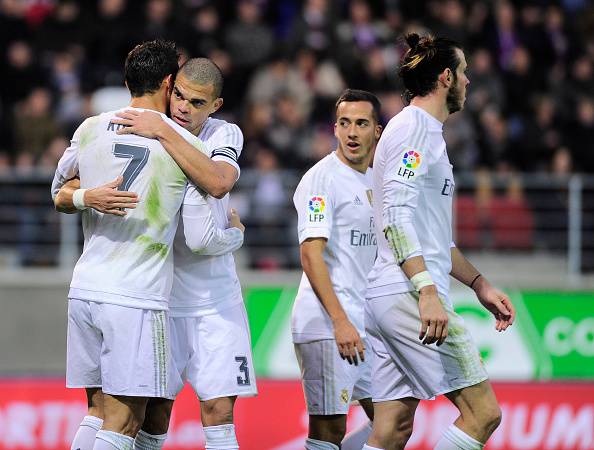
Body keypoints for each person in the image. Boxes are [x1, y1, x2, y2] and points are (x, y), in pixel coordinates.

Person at [51, 42, 235, 450]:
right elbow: (218, 186)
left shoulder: (90, 128)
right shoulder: (182, 147)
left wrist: (86, 197)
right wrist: (234, 233)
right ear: (169, 84)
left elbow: (58, 192)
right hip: (135, 296)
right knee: (126, 419)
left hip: (84, 290)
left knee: (96, 411)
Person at [362, 34, 516, 450]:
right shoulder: (414, 129)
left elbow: (433, 238)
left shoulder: (422, 132)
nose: (469, 82)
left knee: (392, 428)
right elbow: (394, 216)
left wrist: (479, 284)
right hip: (409, 294)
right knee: (483, 414)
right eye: (464, 73)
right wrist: (426, 290)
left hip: (391, 293)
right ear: (446, 77)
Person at [101, 58, 256, 449]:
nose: (184, 107)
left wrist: (163, 131)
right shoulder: (143, 126)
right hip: (161, 298)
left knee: (219, 412)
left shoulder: (226, 133)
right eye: (180, 96)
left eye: (197, 103)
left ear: (215, 106)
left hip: (216, 300)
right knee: (153, 415)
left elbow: (219, 182)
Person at [292, 89, 382, 450]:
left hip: (366, 325)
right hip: (328, 323)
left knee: (394, 420)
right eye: (345, 123)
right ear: (335, 128)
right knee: (328, 430)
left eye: (362, 123)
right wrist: (340, 320)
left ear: (377, 130)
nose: (352, 132)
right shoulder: (321, 179)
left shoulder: (379, 180)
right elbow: (311, 254)